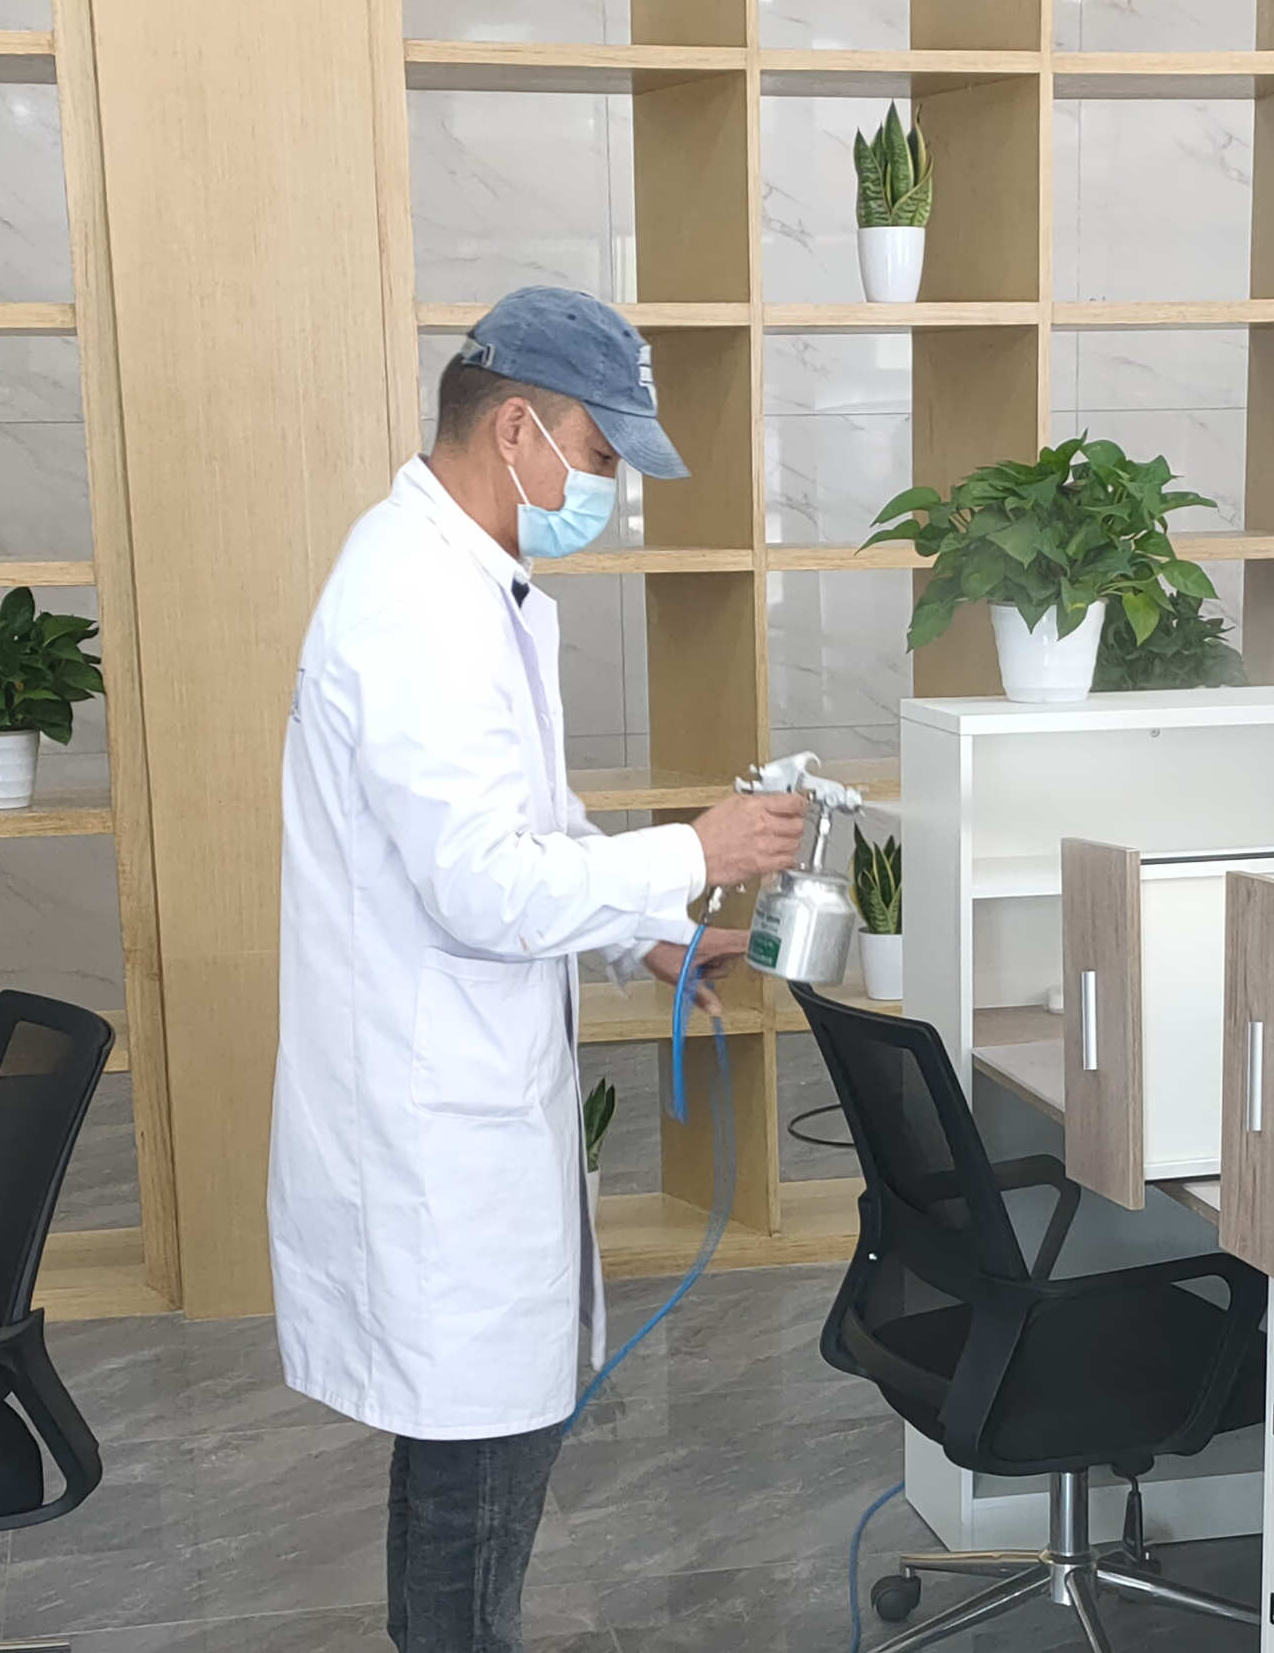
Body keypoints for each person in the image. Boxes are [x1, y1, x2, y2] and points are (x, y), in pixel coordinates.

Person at [271, 286, 809, 1652]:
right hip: (434, 1129)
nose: (605, 491)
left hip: (468, 1102)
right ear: (516, 427)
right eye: (599, 452)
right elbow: (479, 889)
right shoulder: (414, 603)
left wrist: (649, 932)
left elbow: (532, 828)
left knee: (475, 1456)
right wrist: (697, 848)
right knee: (473, 1470)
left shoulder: (474, 581)